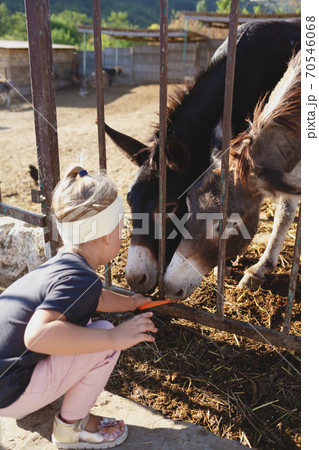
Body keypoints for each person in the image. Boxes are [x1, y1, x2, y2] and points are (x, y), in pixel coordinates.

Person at [0, 166, 157, 449]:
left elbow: (97, 297)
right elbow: (37, 335)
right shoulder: (80, 278)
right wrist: (114, 337)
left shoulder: (64, 267)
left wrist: (132, 303)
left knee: (85, 329)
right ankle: (72, 428)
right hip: (7, 393)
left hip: (5, 379)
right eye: (121, 228)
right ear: (107, 234)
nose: (122, 236)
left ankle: (37, 401)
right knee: (103, 339)